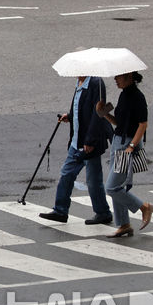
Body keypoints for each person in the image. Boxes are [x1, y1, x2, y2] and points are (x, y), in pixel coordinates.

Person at [39, 77, 114, 225]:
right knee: (66, 174)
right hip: (76, 142)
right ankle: (60, 210)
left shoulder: (96, 84)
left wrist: (90, 141)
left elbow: (98, 114)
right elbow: (80, 108)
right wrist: (70, 116)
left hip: (89, 143)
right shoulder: (80, 83)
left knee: (93, 181)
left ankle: (103, 213)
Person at [97, 72, 153, 238]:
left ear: (129, 76)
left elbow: (143, 124)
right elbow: (119, 123)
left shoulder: (138, 97)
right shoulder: (123, 95)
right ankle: (124, 224)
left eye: (118, 76)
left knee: (112, 187)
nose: (115, 79)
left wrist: (131, 146)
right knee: (117, 186)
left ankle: (144, 207)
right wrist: (104, 113)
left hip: (127, 144)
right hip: (118, 141)